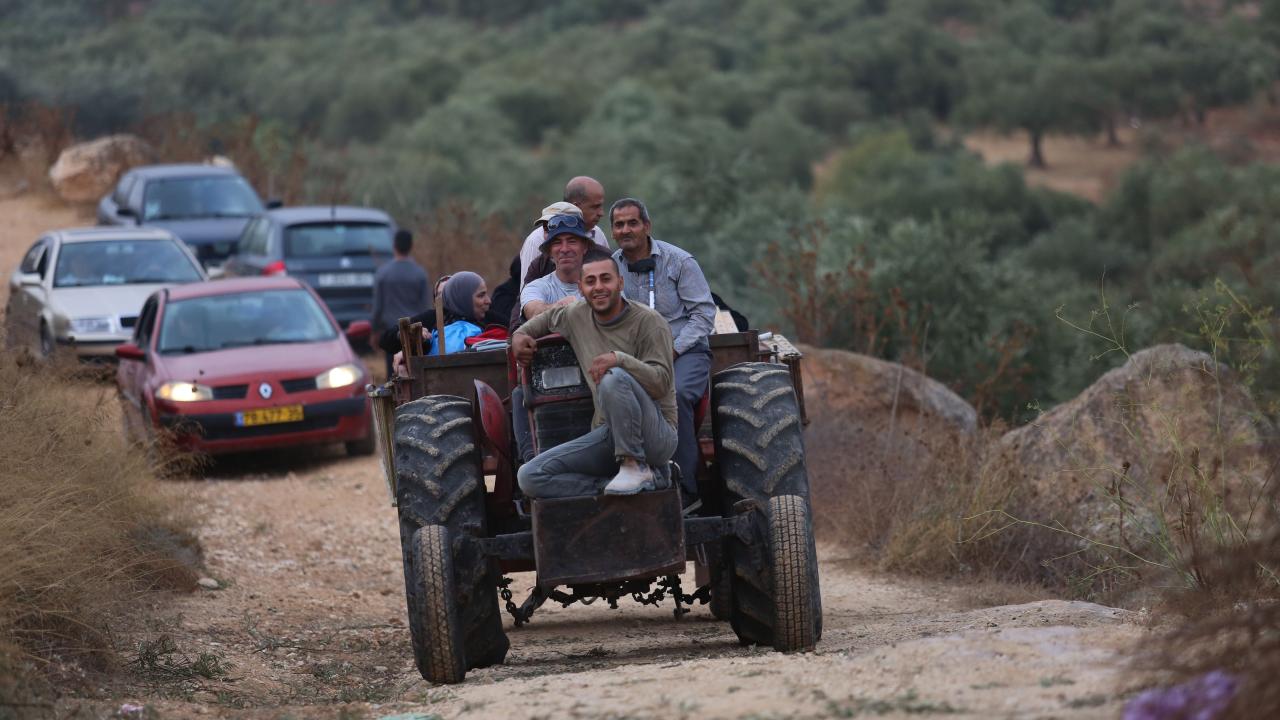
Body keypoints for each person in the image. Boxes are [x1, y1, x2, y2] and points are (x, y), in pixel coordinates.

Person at [513, 251, 677, 498]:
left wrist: (620, 360)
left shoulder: (649, 322)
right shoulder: (575, 314)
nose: (599, 287)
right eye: (590, 281)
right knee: (529, 477)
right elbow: (538, 323)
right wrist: (519, 337)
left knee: (613, 377)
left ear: (620, 283)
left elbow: (661, 384)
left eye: (606, 279)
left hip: (655, 435)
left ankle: (635, 466)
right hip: (608, 434)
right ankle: (613, 486)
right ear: (581, 287)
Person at [610, 198, 716, 501]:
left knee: (675, 393)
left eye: (632, 223)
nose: (626, 230)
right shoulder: (611, 267)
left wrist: (673, 350)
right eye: (619, 225)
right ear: (613, 231)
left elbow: (704, 315)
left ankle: (684, 489)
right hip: (634, 356)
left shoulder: (679, 261)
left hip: (684, 351)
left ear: (647, 226)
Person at [510, 216, 593, 463]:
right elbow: (533, 310)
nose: (564, 248)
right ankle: (531, 461)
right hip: (547, 377)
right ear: (549, 251)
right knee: (520, 395)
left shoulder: (601, 283)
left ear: (585, 247)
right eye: (557, 242)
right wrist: (567, 306)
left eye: (572, 241)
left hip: (596, 371)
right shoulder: (536, 287)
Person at [383, 271, 494, 374]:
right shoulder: (432, 318)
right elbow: (387, 339)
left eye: (450, 293)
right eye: (441, 295)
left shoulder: (485, 315)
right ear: (435, 301)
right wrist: (410, 337)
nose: (446, 300)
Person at [517, 177, 610, 290]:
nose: (601, 213)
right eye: (595, 207)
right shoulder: (535, 242)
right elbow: (526, 292)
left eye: (572, 241)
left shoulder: (598, 235)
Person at [371, 229, 431, 376]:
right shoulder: (420, 274)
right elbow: (426, 307)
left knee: (393, 376)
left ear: (394, 246)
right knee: (417, 375)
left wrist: (374, 331)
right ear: (411, 246)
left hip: (392, 335)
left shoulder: (383, 273)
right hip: (415, 335)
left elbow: (378, 307)